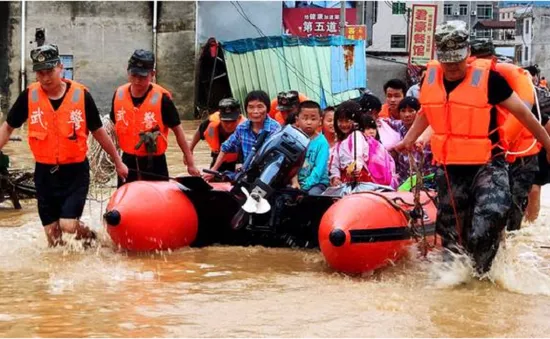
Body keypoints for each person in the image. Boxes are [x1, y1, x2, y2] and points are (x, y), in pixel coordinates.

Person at [394, 21, 550, 276]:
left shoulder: (490, 79)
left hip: (488, 164)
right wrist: (409, 139)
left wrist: (547, 145)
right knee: (453, 238)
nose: (453, 68)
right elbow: (428, 112)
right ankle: (458, 287)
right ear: (439, 57)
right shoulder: (430, 79)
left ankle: (485, 278)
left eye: (457, 61)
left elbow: (525, 114)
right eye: (447, 62)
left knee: (489, 219)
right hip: (451, 168)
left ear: (468, 54)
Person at [0, 44, 128, 247]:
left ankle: (91, 238)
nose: (46, 78)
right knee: (53, 236)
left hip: (75, 173)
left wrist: (118, 161)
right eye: (40, 73)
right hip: (44, 174)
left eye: (50, 71)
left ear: (61, 68)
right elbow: (7, 127)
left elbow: (99, 132)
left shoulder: (81, 96)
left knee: (68, 224)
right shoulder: (30, 96)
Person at [470, 39, 545, 231]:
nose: (480, 64)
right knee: (489, 210)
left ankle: (526, 234)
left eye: (484, 59)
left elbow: (540, 120)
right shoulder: (467, 88)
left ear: (493, 59)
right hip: (489, 158)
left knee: (517, 207)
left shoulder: (508, 85)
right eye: (475, 59)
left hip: (522, 156)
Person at [110, 49, 199, 188]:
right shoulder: (119, 95)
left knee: (159, 202)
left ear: (152, 74)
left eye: (143, 76)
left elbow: (178, 131)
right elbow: (112, 126)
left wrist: (190, 162)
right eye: (134, 75)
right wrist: (116, 161)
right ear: (128, 72)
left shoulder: (162, 99)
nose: (137, 80)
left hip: (155, 162)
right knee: (126, 202)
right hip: (127, 161)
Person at [204, 90, 281, 181]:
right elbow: (225, 147)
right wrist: (214, 169)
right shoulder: (242, 128)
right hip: (246, 175)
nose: (255, 111)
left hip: (267, 177)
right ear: (246, 110)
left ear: (267, 109)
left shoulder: (276, 130)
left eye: (260, 107)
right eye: (251, 107)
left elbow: (281, 159)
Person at [329, 100, 395, 187]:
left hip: (360, 179)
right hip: (346, 180)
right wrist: (335, 177)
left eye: (347, 120)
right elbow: (335, 163)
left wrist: (355, 169)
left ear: (357, 121)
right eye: (341, 121)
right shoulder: (339, 143)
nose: (344, 124)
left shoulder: (356, 136)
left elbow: (358, 156)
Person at [189, 98, 246, 173]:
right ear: (219, 117)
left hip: (239, 162)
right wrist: (190, 150)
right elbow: (200, 131)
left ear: (238, 118)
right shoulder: (212, 124)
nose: (229, 125)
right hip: (217, 159)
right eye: (225, 121)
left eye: (232, 121)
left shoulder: (246, 128)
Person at [392, 97, 436, 185]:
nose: (407, 115)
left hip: (427, 181)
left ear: (419, 113)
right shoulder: (398, 127)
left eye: (411, 111)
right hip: (404, 181)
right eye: (403, 111)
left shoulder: (431, 132)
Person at [291, 101, 330, 195]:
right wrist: (294, 181)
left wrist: (304, 187)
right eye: (304, 118)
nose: (309, 122)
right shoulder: (293, 139)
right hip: (296, 182)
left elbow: (319, 169)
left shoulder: (322, 142)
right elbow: (290, 165)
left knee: (311, 196)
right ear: (297, 120)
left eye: (313, 119)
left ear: (320, 121)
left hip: (317, 183)